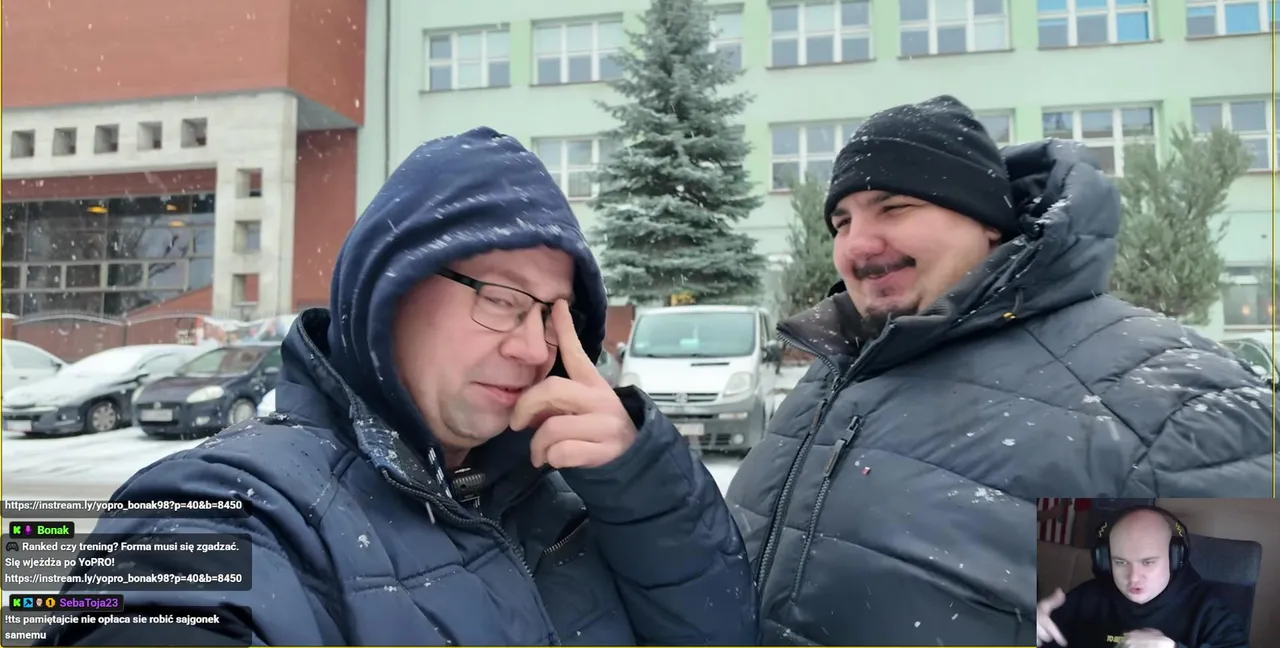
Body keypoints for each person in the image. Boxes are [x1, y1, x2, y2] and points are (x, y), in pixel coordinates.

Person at [43, 127, 758, 646]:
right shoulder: (230, 503)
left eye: (554, 316)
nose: (533, 347)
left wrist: (643, 486)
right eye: (501, 299)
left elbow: (722, 628)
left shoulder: (566, 496)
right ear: (392, 291)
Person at [725, 96, 1273, 646]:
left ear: (987, 222)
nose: (856, 245)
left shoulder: (1171, 407)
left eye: (894, 208)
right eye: (842, 222)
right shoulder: (838, 369)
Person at [1036, 506, 1249, 648]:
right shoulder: (1086, 598)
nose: (1133, 578)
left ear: (1175, 558)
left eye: (1148, 562)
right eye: (1121, 562)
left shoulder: (1209, 607)